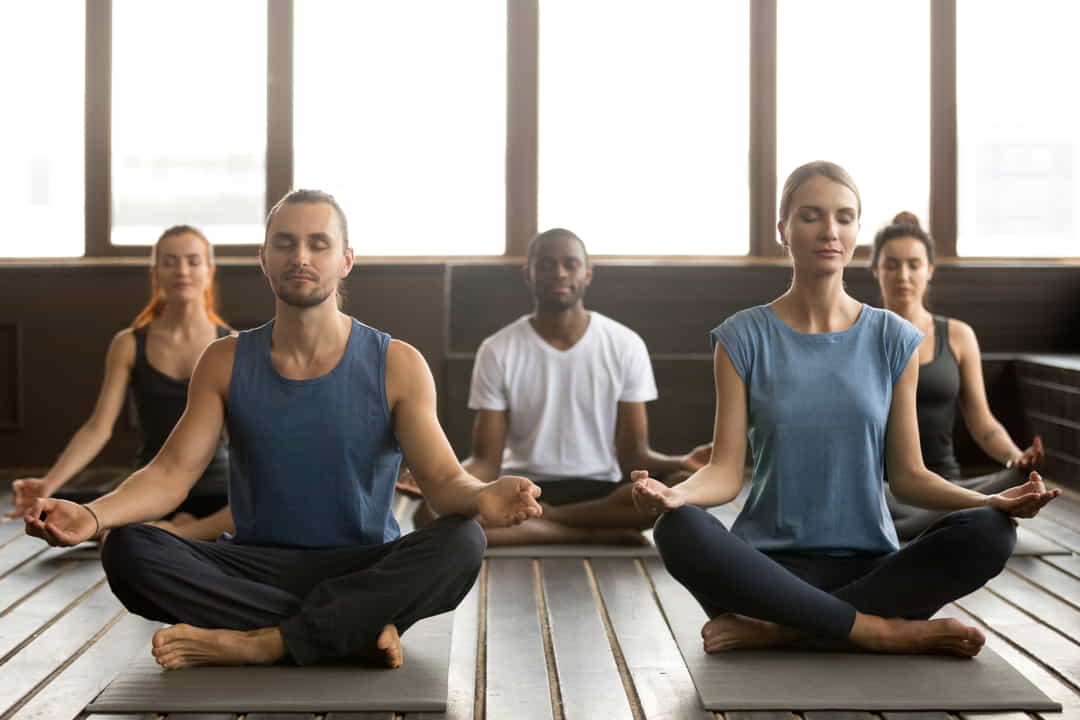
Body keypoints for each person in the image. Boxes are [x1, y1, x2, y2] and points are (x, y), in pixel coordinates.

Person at [24, 189, 542, 670]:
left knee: (462, 541)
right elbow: (170, 473)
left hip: (364, 563)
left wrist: (482, 497)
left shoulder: (398, 364)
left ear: (345, 261)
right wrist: (91, 516)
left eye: (319, 244)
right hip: (253, 564)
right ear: (264, 258)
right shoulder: (224, 361)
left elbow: (444, 482)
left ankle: (263, 641)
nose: (301, 257)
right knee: (128, 550)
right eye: (285, 243)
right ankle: (348, 627)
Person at [632, 161, 1059, 657]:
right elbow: (725, 473)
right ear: (783, 229)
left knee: (990, 533)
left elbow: (909, 477)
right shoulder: (741, 337)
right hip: (766, 570)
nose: (829, 231)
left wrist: (989, 503)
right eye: (811, 216)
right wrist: (675, 495)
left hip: (869, 567)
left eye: (844, 217)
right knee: (677, 529)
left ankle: (784, 629)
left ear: (856, 229)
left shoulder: (893, 338)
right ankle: (878, 631)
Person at [407, 228, 710, 545]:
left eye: (570, 263)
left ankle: (552, 522)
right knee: (429, 515)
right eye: (546, 264)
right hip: (523, 488)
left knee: (681, 486)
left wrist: (681, 462)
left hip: (601, 490)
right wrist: (438, 480)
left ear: (588, 274)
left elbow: (634, 456)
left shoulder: (624, 344)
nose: (559, 273)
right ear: (529, 274)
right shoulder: (498, 349)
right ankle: (590, 534)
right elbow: (487, 461)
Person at [7, 226, 231, 526]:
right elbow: (98, 427)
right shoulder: (128, 343)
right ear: (156, 272)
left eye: (193, 260)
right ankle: (177, 529)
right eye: (169, 261)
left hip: (218, 488)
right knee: (98, 529)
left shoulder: (232, 345)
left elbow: (243, 433)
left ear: (209, 271)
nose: (182, 270)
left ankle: (179, 531)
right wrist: (50, 483)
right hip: (150, 487)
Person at [871, 212, 1045, 539]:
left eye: (913, 264)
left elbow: (982, 422)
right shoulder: (858, 334)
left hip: (945, 486)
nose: (903, 275)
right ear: (876, 270)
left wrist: (1016, 458)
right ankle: (966, 513)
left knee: (1014, 481)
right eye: (891, 265)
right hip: (880, 488)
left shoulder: (958, 336)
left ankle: (949, 514)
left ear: (930, 270)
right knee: (869, 498)